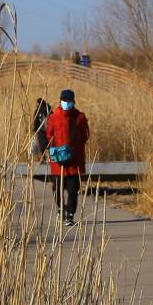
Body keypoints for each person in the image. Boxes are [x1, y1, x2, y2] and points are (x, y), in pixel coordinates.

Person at [46, 89, 90, 226]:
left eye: (69, 100)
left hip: (74, 160)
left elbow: (85, 135)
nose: (67, 103)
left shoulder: (80, 117)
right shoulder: (53, 117)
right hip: (58, 160)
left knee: (73, 189)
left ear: (73, 101)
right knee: (57, 189)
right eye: (64, 100)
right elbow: (48, 135)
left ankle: (70, 214)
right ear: (60, 101)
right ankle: (61, 208)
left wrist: (74, 146)